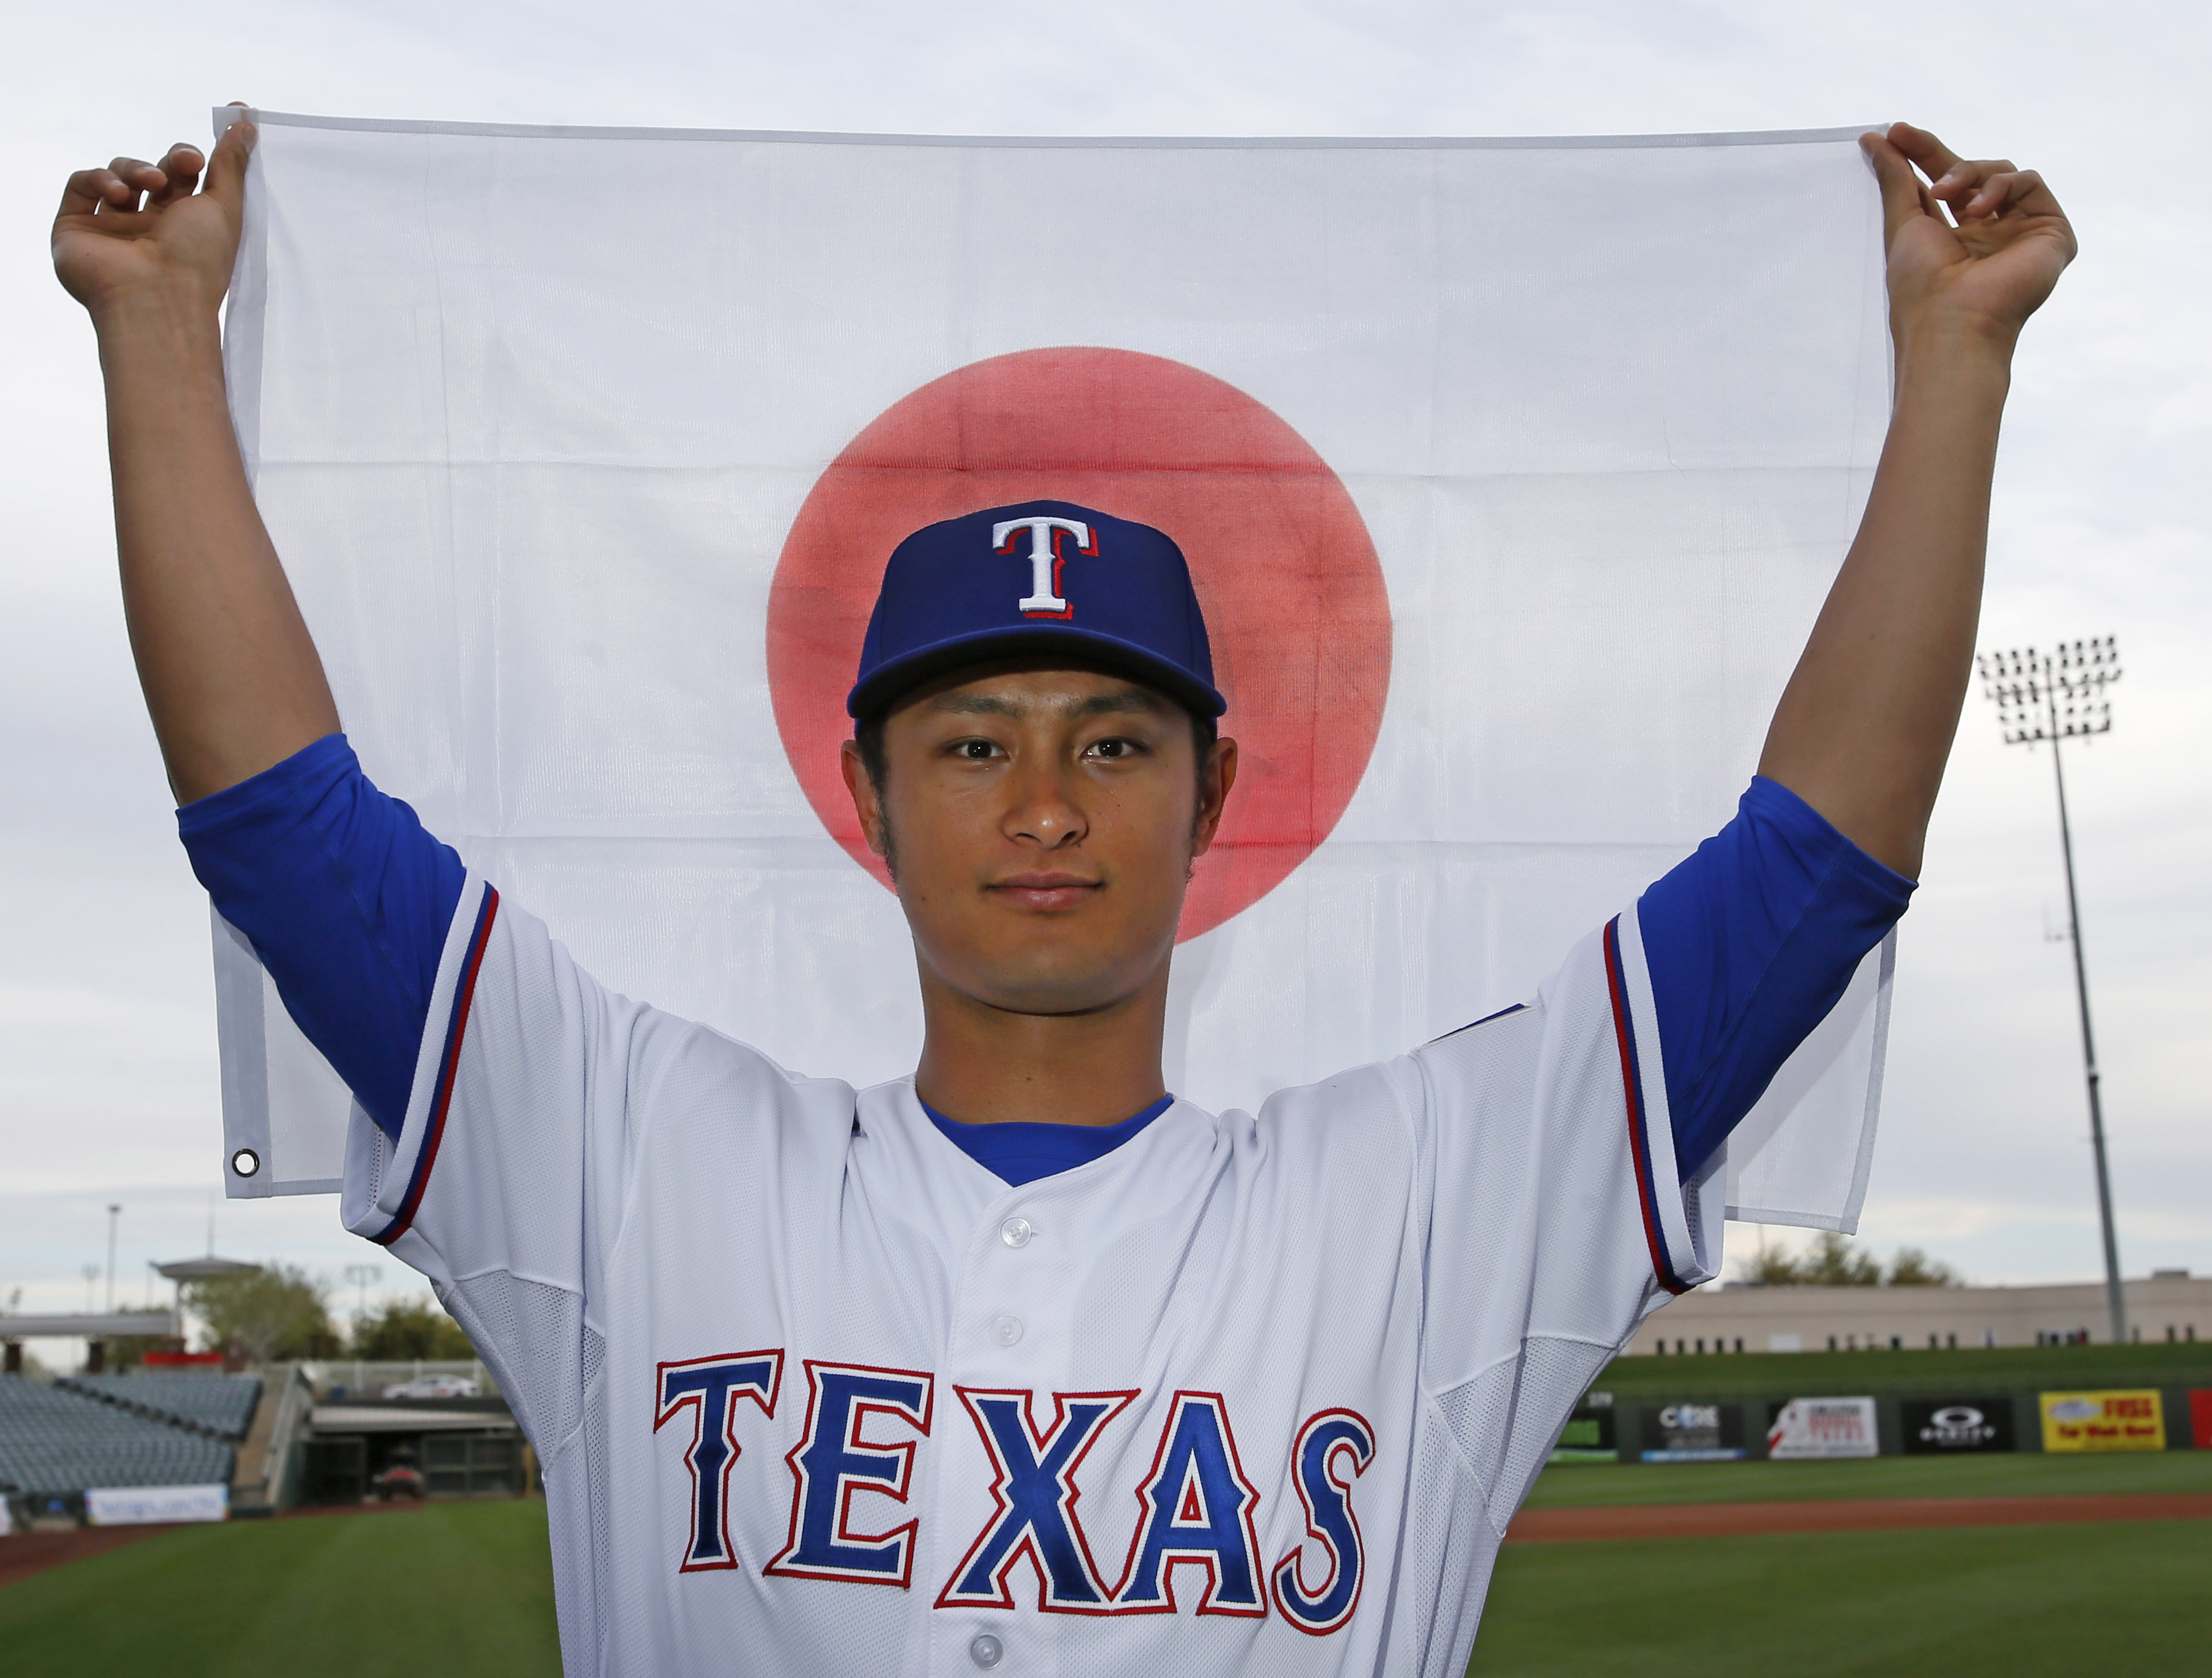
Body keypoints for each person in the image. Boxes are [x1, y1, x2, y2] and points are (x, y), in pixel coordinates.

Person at [53, 118, 2072, 1675]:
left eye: (1114, 739)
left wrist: (1956, 366)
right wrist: (158, 335)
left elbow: (1817, 869)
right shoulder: (628, 1148)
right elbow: (280, 826)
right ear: (862, 792)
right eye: (969, 739)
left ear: (1218, 800)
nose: (1041, 800)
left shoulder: (1435, 1197)